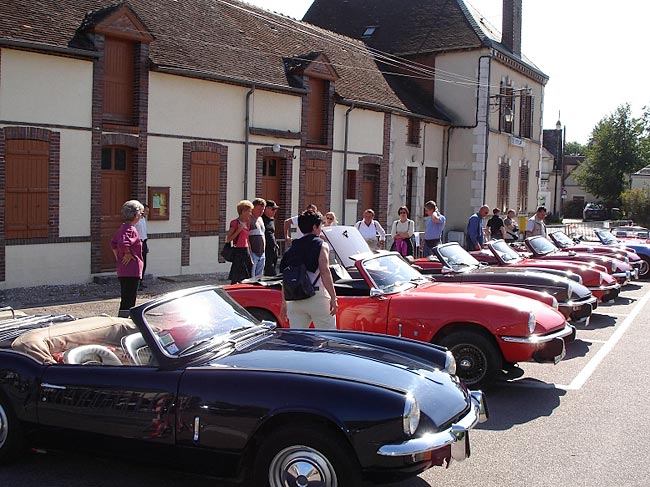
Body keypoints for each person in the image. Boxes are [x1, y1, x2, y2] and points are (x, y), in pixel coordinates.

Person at [279, 209, 338, 329]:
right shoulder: (321, 244)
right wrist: (333, 297)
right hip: (317, 297)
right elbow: (324, 271)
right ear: (315, 227)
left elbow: (285, 278)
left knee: (298, 340)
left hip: (295, 299)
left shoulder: (292, 248)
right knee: (328, 339)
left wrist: (284, 302)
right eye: (320, 226)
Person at [111, 200, 145, 318]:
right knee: (129, 299)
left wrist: (118, 257)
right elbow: (123, 243)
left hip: (124, 269)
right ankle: (125, 321)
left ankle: (122, 319)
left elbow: (113, 244)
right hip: (131, 270)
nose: (141, 215)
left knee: (126, 298)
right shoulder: (130, 229)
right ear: (135, 215)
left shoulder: (122, 228)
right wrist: (127, 253)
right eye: (141, 213)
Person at [226, 200, 253, 284]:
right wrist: (238, 230)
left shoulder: (247, 222)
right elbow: (228, 239)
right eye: (248, 211)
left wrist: (250, 254)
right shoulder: (235, 223)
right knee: (236, 276)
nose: (250, 213)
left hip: (246, 251)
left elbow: (247, 239)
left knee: (247, 275)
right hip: (238, 250)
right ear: (243, 211)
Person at [248, 198, 266, 277]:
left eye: (263, 209)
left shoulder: (261, 219)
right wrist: (250, 252)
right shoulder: (248, 219)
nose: (261, 211)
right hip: (253, 253)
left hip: (262, 253)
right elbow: (246, 237)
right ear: (253, 208)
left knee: (259, 277)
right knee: (252, 276)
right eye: (259, 209)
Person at [133, 203, 149, 289]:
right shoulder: (136, 220)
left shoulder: (143, 220)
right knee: (138, 264)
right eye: (146, 211)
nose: (147, 212)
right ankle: (136, 283)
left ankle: (140, 281)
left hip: (144, 241)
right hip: (138, 242)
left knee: (144, 263)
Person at [262, 199, 280, 276]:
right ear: (266, 208)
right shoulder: (261, 219)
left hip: (273, 248)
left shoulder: (272, 220)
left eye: (275, 209)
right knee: (269, 269)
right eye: (273, 209)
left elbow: (272, 233)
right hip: (265, 249)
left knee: (273, 266)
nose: (274, 211)